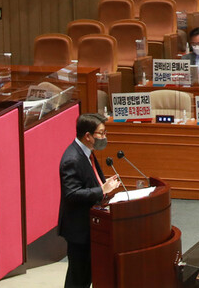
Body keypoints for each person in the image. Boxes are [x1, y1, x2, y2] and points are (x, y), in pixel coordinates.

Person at [58, 113, 120, 288]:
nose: (104, 137)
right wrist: (101, 190)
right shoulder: (72, 159)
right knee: (78, 278)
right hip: (79, 228)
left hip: (91, 225)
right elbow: (71, 194)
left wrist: (104, 185)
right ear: (88, 136)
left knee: (85, 275)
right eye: (101, 133)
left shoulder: (87, 153)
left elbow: (90, 181)